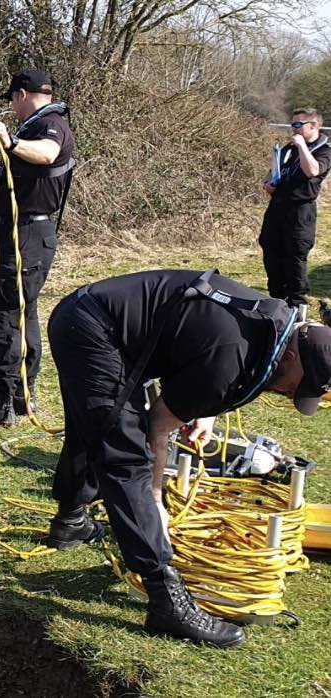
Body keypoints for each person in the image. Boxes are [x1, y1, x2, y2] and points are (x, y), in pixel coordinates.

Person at [44, 268, 331, 648]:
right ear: (291, 355)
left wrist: (203, 411)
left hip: (99, 320)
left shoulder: (270, 325)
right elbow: (158, 428)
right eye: (299, 384)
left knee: (94, 425)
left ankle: (70, 521)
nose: (292, 393)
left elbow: (201, 349)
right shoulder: (235, 354)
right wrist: (156, 501)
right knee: (124, 454)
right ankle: (166, 597)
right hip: (94, 328)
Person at [0, 69, 76, 425]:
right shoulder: (37, 125)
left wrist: (9, 140)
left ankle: (1, 402)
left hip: (29, 235)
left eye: (12, 99)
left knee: (6, 315)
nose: (12, 106)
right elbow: (19, 181)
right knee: (25, 312)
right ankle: (23, 396)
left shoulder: (51, 126)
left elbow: (47, 154)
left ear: (22, 94)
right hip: (26, 234)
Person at [260, 108, 331, 308]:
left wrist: (301, 146)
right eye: (292, 124)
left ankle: (297, 306)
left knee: (295, 257)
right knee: (271, 251)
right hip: (277, 208)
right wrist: (268, 184)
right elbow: (272, 173)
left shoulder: (324, 151)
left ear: (314, 125)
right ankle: (276, 301)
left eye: (298, 124)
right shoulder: (288, 149)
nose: (294, 128)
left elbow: (312, 171)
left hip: (300, 211)